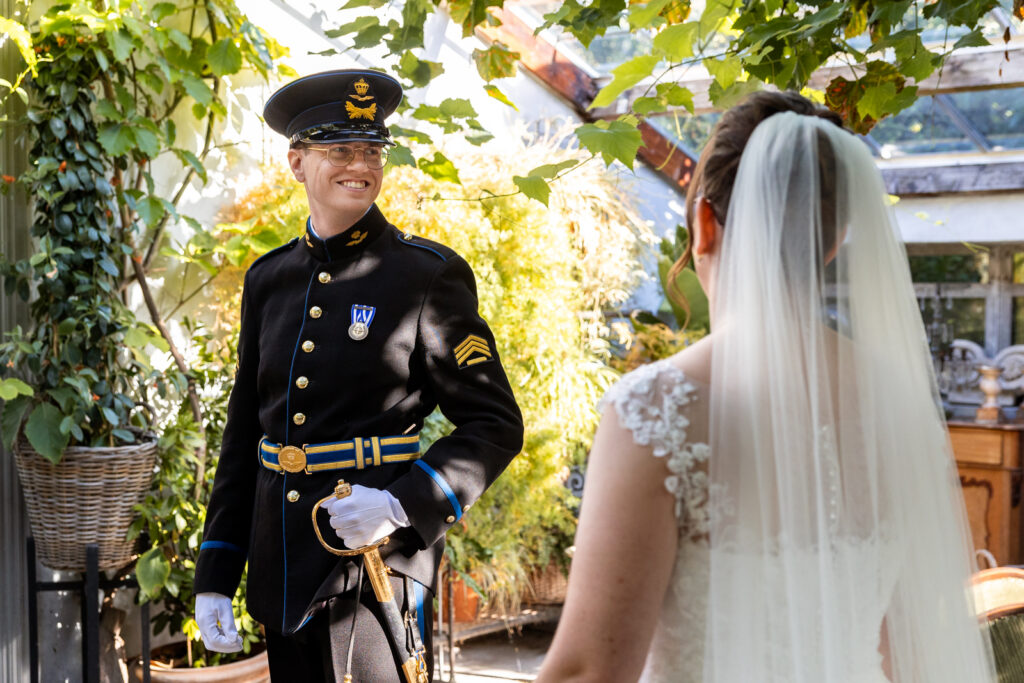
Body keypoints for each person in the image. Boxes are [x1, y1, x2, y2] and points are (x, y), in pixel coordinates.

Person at [536, 91, 996, 683]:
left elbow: (590, 672)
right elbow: (907, 655)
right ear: (835, 241)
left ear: (704, 223)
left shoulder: (658, 409)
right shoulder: (901, 407)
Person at [191, 69, 524, 682]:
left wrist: (401, 504)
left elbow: (494, 425)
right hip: (282, 566)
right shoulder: (269, 280)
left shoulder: (426, 276)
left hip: (376, 564)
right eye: (340, 148)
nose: (360, 164)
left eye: (372, 150)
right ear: (297, 162)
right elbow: (245, 431)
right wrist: (217, 571)